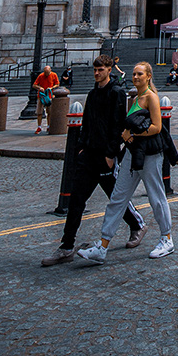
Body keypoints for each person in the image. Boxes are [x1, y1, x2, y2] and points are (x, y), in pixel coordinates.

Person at [40, 55, 146, 266]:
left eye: (101, 70)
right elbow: (86, 123)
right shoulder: (92, 94)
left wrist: (110, 154)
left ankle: (137, 225)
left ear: (109, 70)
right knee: (76, 200)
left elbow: (118, 124)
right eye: (95, 70)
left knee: (116, 198)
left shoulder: (117, 93)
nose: (97, 73)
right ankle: (67, 246)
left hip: (105, 156)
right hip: (88, 154)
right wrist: (80, 147)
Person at [77, 61, 174, 262]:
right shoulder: (135, 98)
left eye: (139, 74)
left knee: (156, 197)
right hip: (131, 154)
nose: (135, 77)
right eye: (134, 74)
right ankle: (102, 246)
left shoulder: (152, 97)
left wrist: (133, 134)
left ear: (148, 76)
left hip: (149, 154)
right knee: (118, 198)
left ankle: (167, 239)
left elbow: (156, 127)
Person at [33, 64, 59, 133]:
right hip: (41, 96)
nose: (46, 74)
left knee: (49, 112)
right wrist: (39, 88)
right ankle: (39, 127)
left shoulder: (54, 75)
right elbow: (34, 85)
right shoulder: (41, 76)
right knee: (39, 112)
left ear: (50, 70)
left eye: (47, 73)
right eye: (45, 72)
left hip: (50, 96)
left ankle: (48, 126)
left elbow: (57, 84)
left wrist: (51, 88)